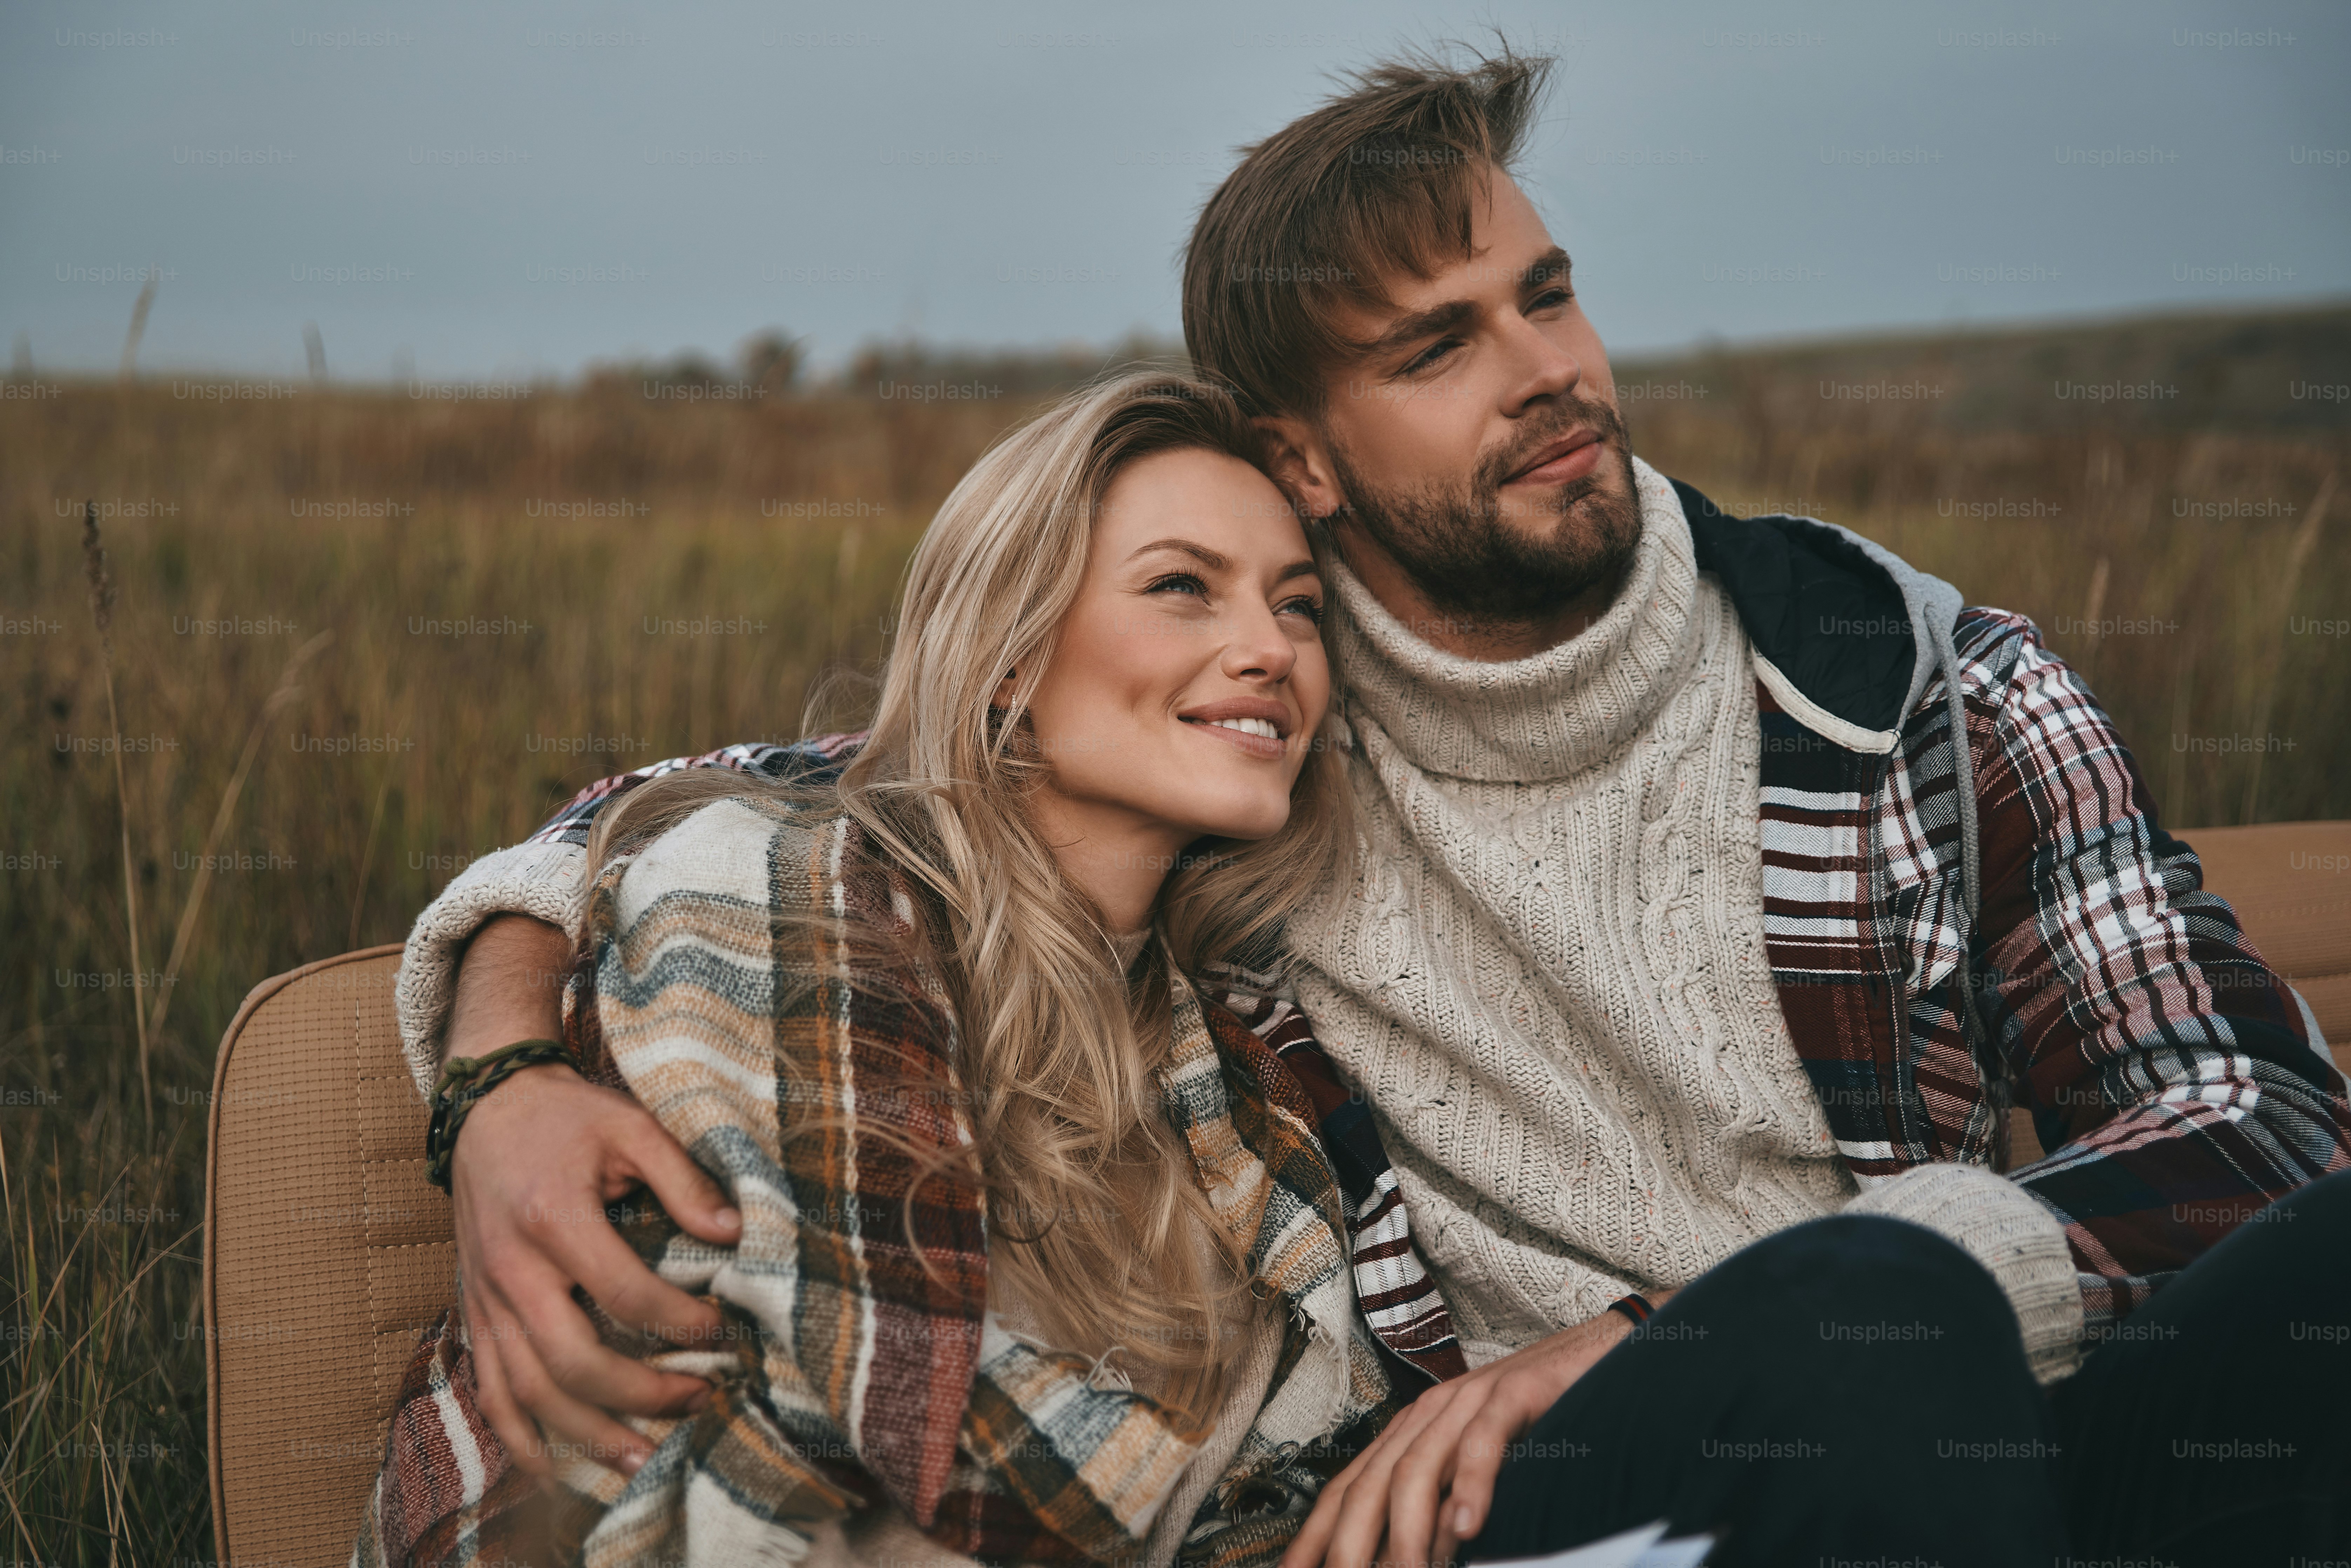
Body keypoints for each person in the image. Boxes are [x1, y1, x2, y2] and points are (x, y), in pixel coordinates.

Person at [392, 44, 2351, 1568]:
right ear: (1299, 455)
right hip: (1546, 1491)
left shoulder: (1929, 691)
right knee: (1871, 1314)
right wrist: (497, 1058)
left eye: (1547, 295)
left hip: (1961, 1401)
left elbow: (2248, 1124)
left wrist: (1715, 1309)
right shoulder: (1258, 753)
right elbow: (764, 801)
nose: (1555, 374)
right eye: (1439, 346)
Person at [360, 373, 1470, 1568]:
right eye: (1180, 587)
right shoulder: (779, 898)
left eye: (1297, 606)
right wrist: (497, 1062)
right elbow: (778, 1442)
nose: (1266, 649)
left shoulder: (1241, 1076)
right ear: (1009, 656)